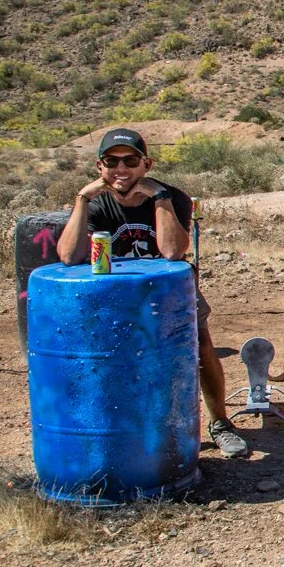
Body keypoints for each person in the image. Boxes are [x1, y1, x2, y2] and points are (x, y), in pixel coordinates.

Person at [55, 128, 248, 458]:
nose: (121, 169)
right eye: (111, 162)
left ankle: (220, 423)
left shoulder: (172, 198)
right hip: (113, 293)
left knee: (200, 344)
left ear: (147, 164)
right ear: (99, 166)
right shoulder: (95, 203)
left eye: (131, 161)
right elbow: (69, 256)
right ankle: (119, 434)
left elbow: (172, 251)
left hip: (168, 291)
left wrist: (159, 197)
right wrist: (82, 199)